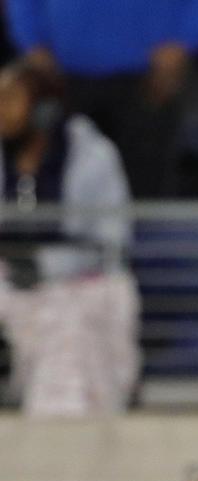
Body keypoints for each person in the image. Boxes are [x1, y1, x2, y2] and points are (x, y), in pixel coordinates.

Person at [0, 59, 138, 415]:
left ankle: (60, 440)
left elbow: (112, 239)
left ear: (43, 109)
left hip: (77, 284)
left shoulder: (92, 155)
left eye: (11, 100)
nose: (2, 110)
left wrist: (46, 265)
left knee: (69, 325)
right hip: (7, 280)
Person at [5, 0, 198, 197]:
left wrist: (184, 40)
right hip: (62, 73)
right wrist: (31, 39)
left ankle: (144, 253)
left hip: (149, 75)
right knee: (58, 188)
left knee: (147, 189)